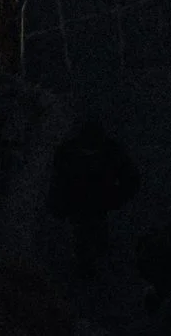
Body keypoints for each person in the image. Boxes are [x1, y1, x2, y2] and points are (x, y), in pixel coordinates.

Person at [48, 109, 140, 281]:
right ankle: (85, 264)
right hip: (79, 203)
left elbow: (131, 179)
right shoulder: (68, 152)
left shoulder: (109, 152)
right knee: (84, 234)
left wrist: (116, 197)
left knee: (94, 236)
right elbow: (58, 181)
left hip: (98, 202)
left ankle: (94, 261)